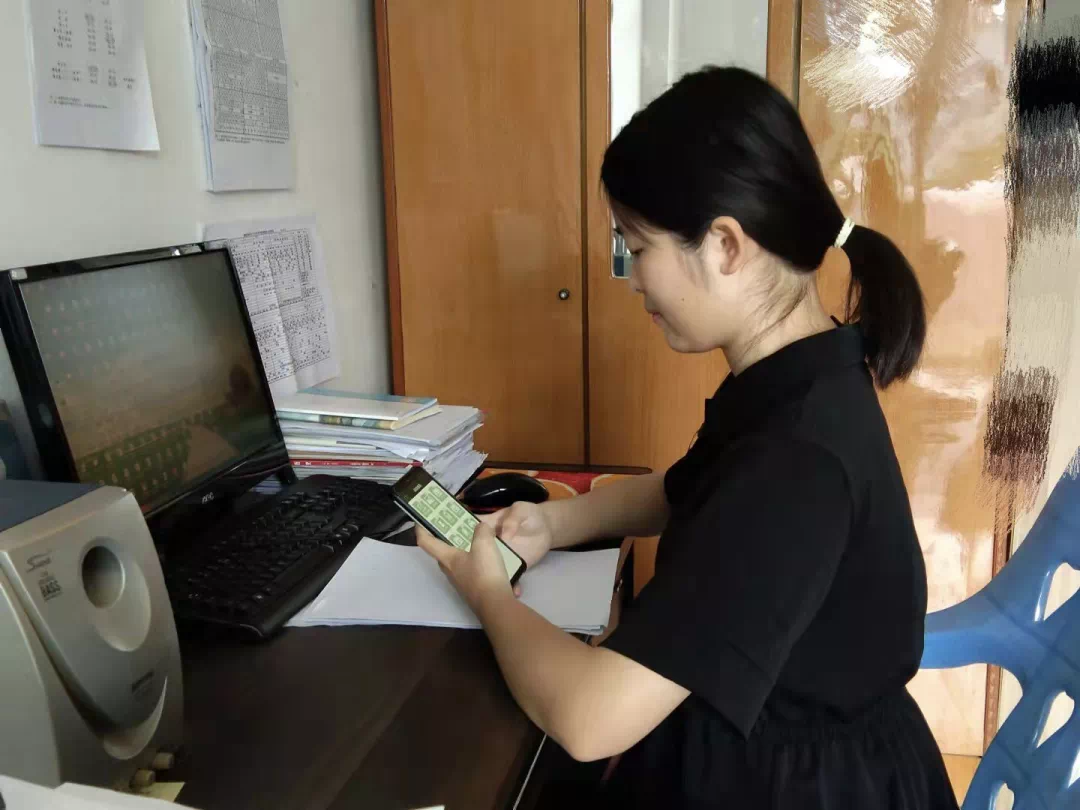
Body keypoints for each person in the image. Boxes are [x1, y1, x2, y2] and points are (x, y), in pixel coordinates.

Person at [416, 66, 958, 809]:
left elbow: (589, 719)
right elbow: (687, 491)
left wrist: (487, 593)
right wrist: (555, 522)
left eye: (637, 248)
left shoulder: (796, 462)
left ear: (726, 245)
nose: (632, 278)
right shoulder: (797, 376)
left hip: (800, 788)